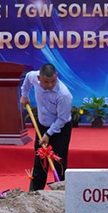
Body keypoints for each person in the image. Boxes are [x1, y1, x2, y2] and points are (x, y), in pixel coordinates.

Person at [21, 63, 73, 191]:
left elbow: (62, 119)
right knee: (39, 160)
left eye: (53, 81)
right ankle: (35, 193)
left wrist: (48, 134)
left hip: (60, 129)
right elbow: (27, 78)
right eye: (46, 82)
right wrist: (24, 95)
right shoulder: (34, 77)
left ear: (56, 76)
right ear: (39, 79)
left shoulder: (64, 94)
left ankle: (61, 193)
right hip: (42, 125)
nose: (50, 85)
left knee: (58, 162)